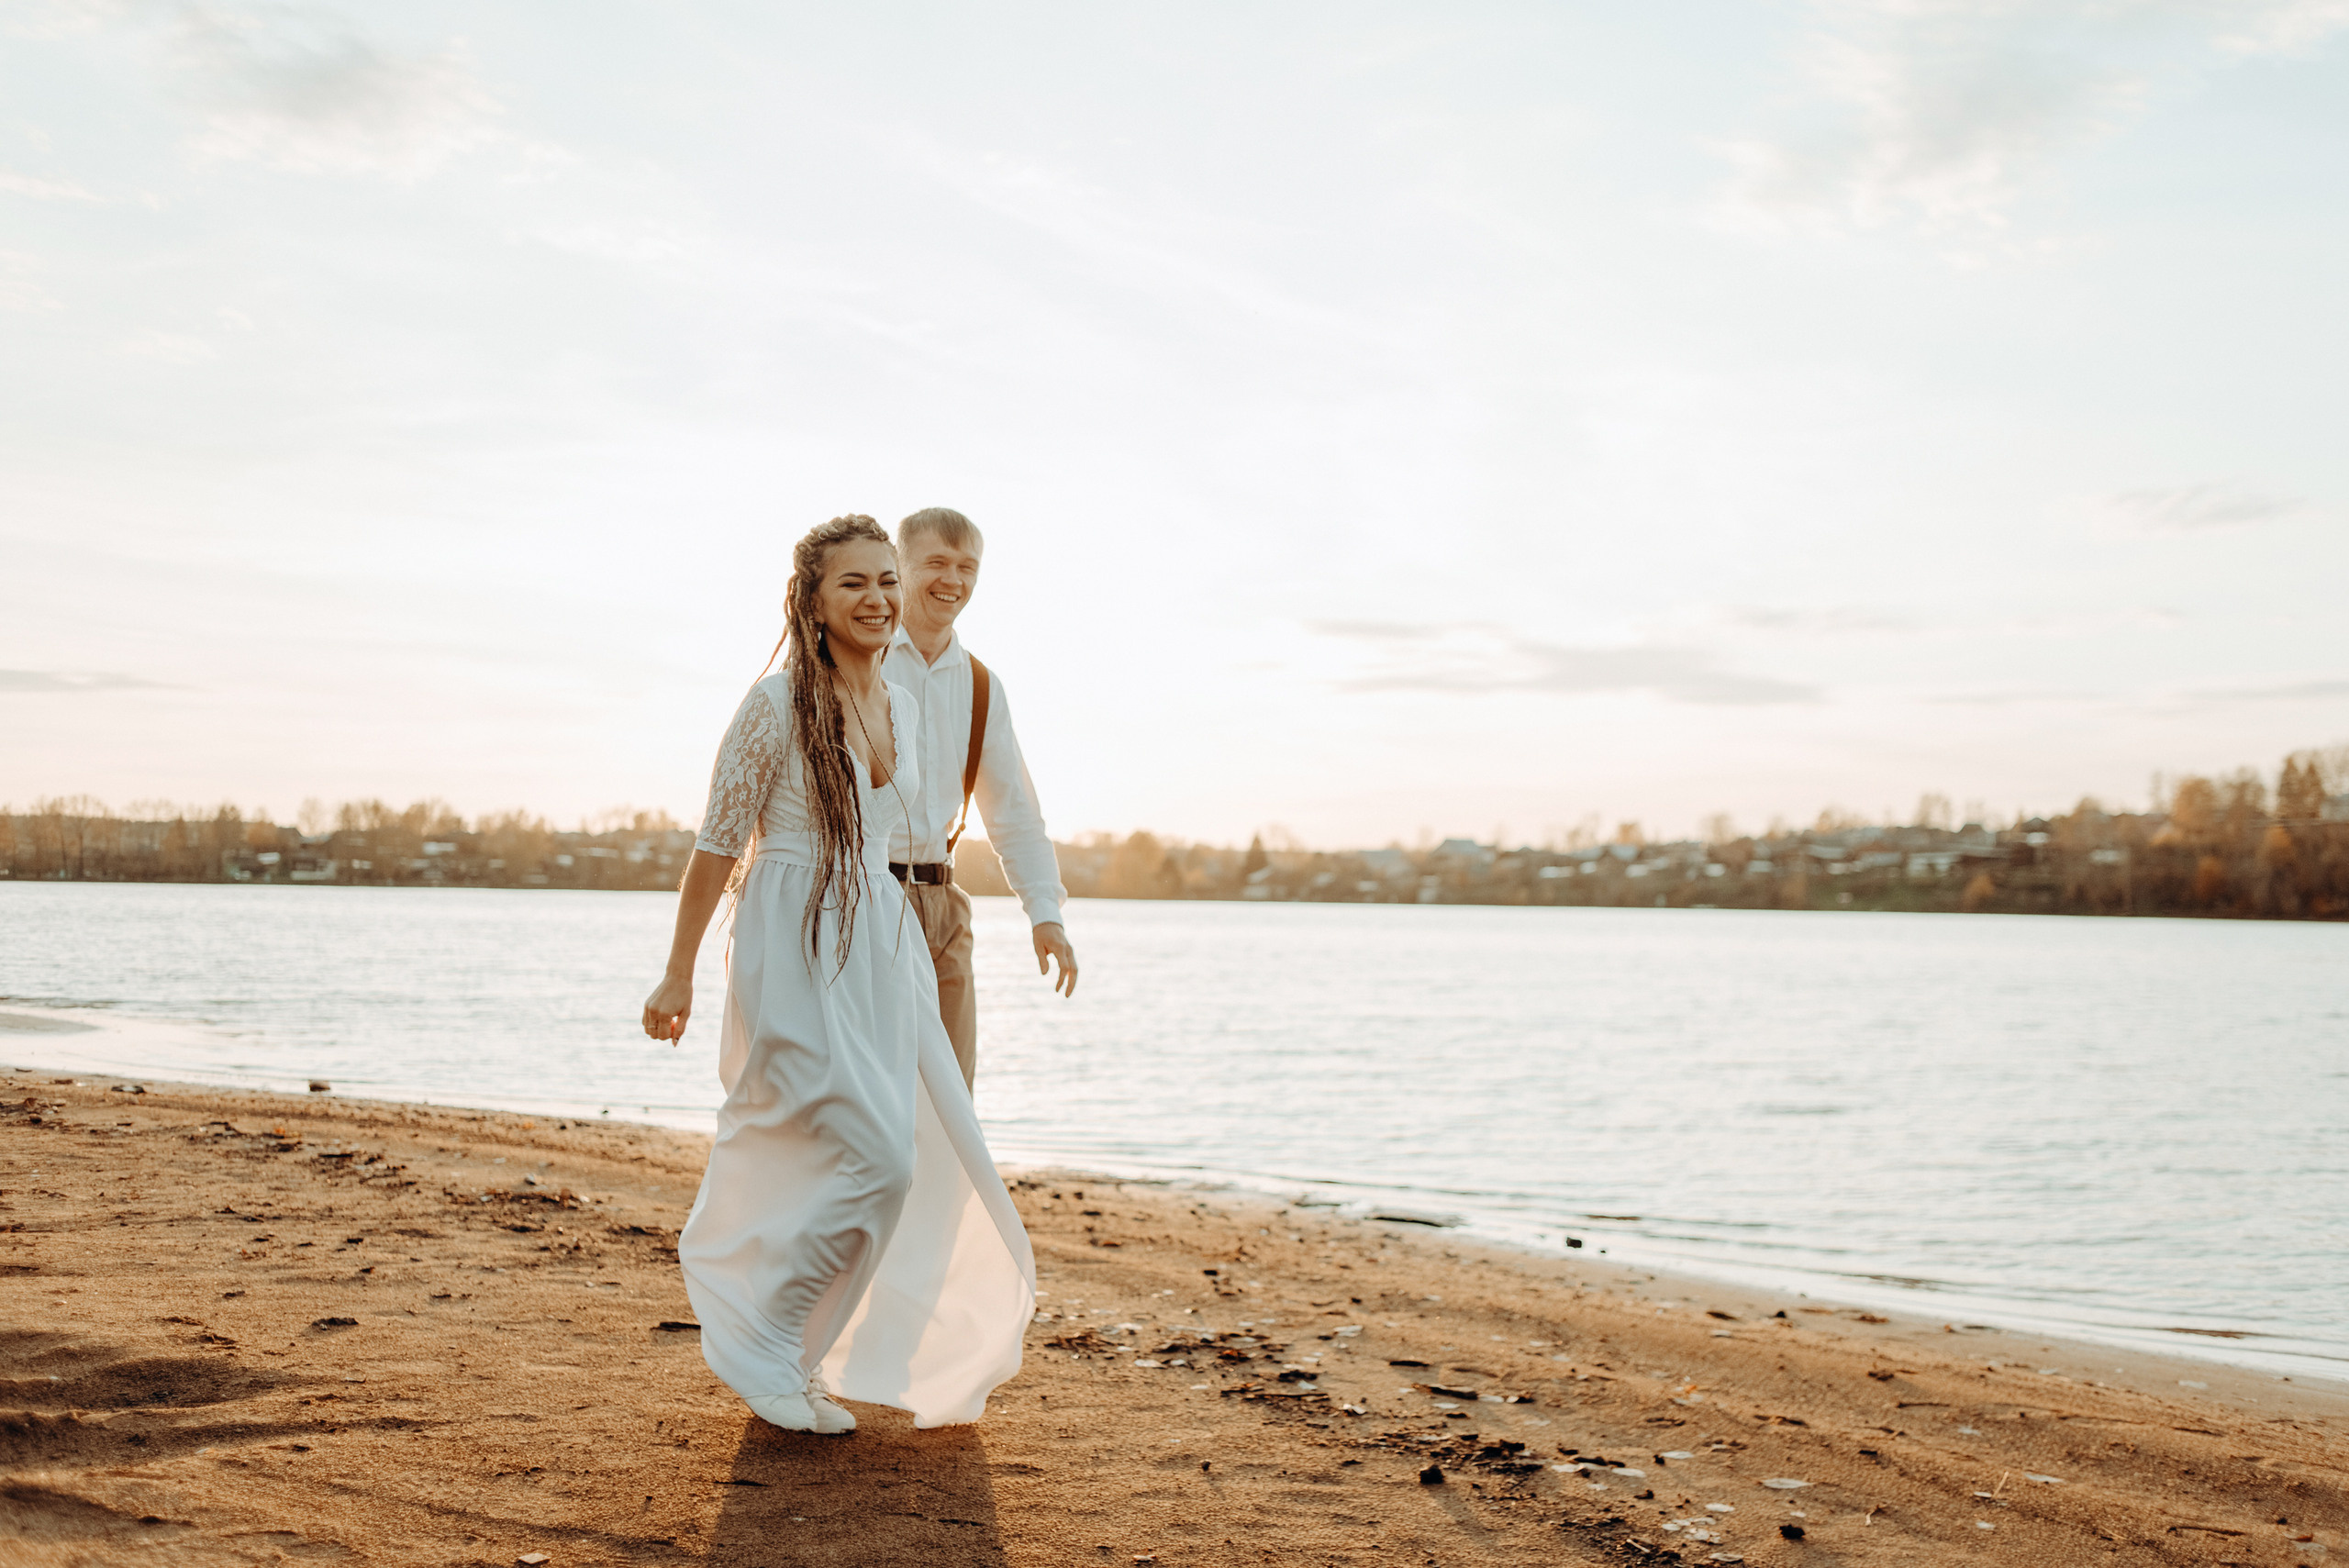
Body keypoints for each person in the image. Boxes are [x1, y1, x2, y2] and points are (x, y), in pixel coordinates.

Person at [638, 514, 1034, 1435]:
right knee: (870, 1154)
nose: (879, 598)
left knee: (900, 1153)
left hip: (874, 936)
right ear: (811, 600)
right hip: (792, 930)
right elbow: (713, 844)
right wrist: (677, 973)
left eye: (887, 580)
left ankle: (798, 1354)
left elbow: (929, 825)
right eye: (854, 582)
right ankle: (769, 1338)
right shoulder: (777, 702)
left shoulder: (894, 697)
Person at [883, 506, 1076, 1093]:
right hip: (864, 896)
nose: (954, 580)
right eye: (936, 563)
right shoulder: (856, 662)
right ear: (898, 565)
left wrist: (1045, 912)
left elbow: (1013, 810)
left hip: (942, 908)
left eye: (968, 567)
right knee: (872, 1095)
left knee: (951, 1098)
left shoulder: (982, 684)